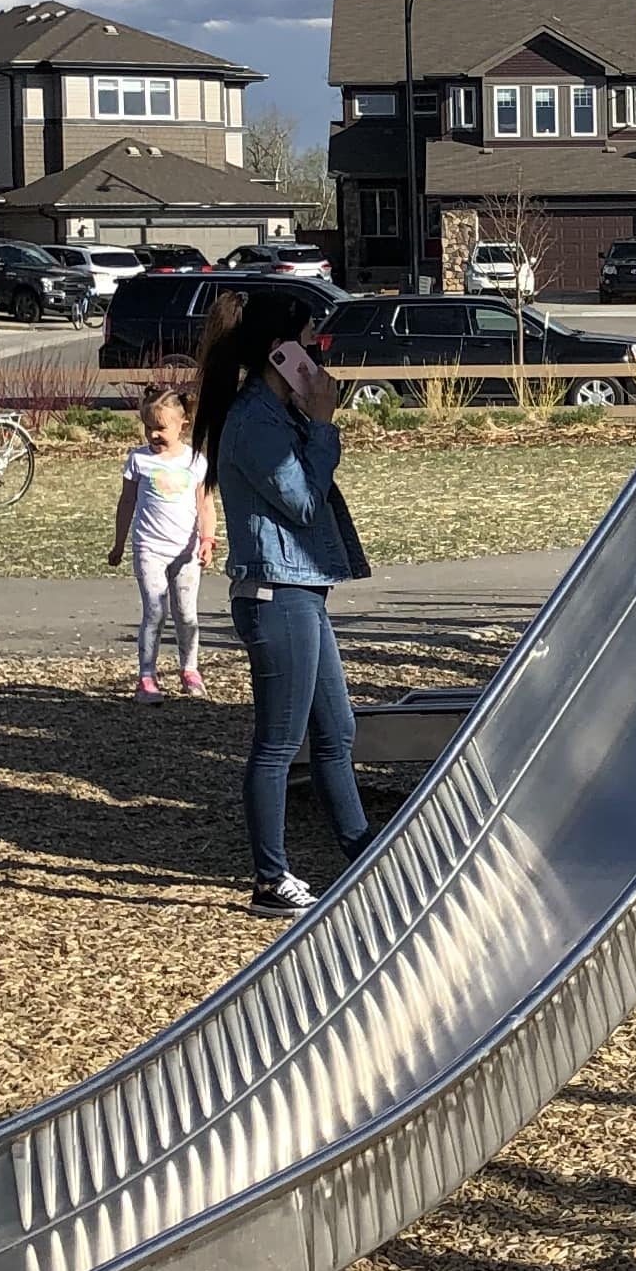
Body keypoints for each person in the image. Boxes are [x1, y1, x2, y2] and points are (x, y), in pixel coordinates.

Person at [197, 280, 372, 918]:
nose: (318, 357)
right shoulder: (253, 422)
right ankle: (270, 879)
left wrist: (315, 421)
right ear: (279, 354)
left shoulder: (280, 415)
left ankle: (362, 851)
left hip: (301, 589)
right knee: (279, 741)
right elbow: (299, 500)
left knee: (337, 731)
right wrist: (324, 428)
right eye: (309, 345)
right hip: (276, 592)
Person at [108, 380, 209, 698]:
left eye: (160, 428)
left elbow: (205, 503)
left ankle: (189, 669)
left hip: (186, 551)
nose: (153, 435)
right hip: (149, 548)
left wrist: (208, 538)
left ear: (183, 424)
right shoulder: (138, 460)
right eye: (148, 427)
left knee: (186, 613)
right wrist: (119, 543)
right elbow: (126, 503)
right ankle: (147, 676)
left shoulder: (195, 461)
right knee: (154, 610)